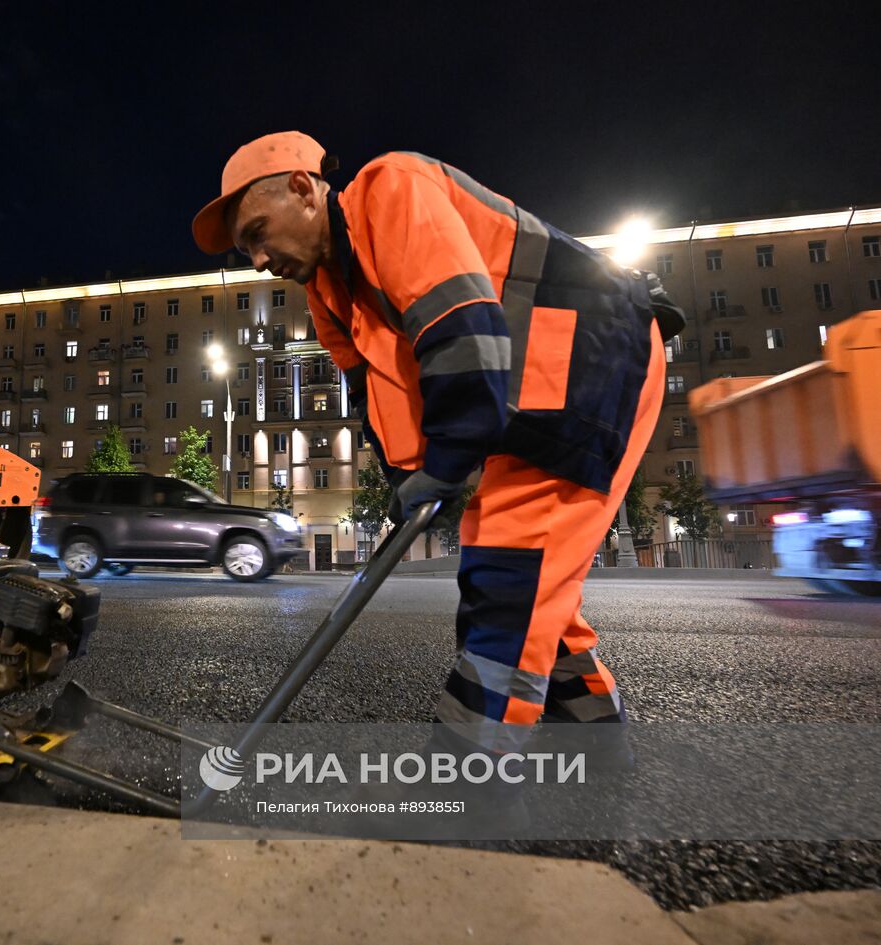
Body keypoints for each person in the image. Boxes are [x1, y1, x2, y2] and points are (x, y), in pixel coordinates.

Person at [191, 132, 684, 783]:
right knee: (534, 584)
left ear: (305, 190)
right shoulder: (328, 291)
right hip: (524, 387)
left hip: (590, 358)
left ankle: (468, 783)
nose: (256, 258)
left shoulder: (390, 188)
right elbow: (378, 392)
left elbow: (460, 326)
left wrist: (451, 463)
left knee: (509, 575)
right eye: (245, 248)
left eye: (258, 231)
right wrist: (409, 480)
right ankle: (597, 742)